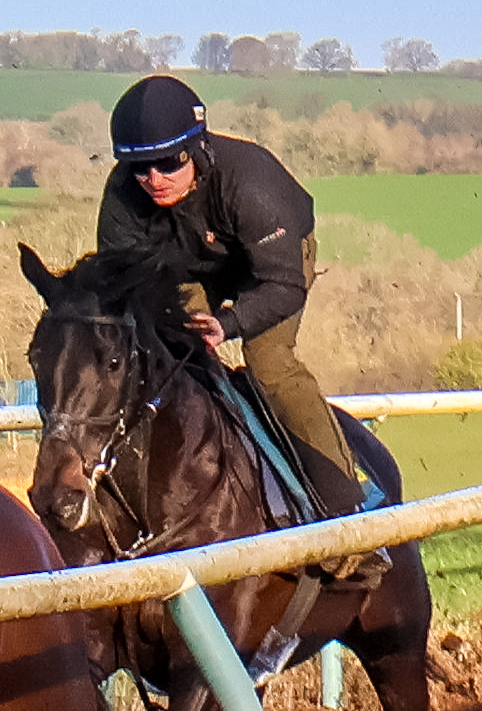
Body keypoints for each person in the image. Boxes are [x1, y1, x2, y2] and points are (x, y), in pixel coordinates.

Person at [96, 74, 363, 517]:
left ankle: (343, 500)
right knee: (176, 361)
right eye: (140, 168)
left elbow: (283, 285)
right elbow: (121, 284)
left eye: (169, 164)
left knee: (270, 364)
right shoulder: (124, 193)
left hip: (273, 266)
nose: (154, 179)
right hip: (190, 266)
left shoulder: (251, 183)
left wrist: (230, 323)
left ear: (197, 149)